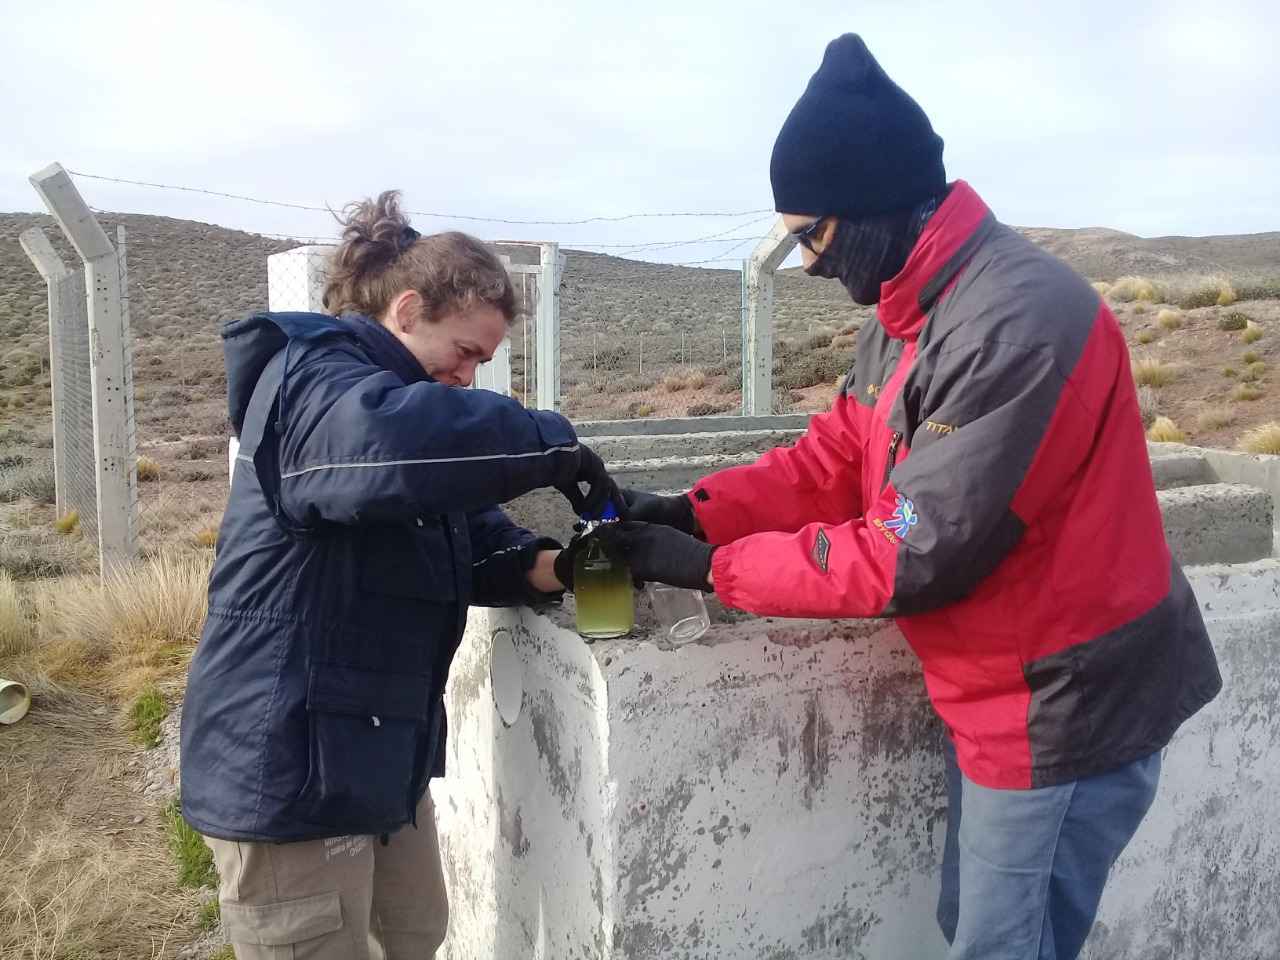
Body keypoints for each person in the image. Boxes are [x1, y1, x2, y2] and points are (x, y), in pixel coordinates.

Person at [594, 34, 1222, 960]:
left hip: (1065, 701)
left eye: (813, 233)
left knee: (1003, 949)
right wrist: (697, 510)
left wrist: (712, 569)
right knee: (972, 931)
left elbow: (909, 550)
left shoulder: (1015, 323)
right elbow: (838, 454)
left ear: (874, 203)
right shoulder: (910, 310)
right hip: (999, 689)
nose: (807, 262)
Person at [179, 191, 618, 959]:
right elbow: (386, 445)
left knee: (415, 935)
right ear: (409, 309)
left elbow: (482, 549)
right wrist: (558, 449)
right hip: (290, 771)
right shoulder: (314, 378)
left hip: (372, 762)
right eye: (467, 352)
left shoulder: (408, 425)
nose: (471, 376)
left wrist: (572, 567)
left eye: (485, 360)